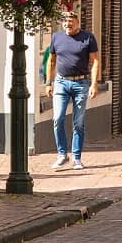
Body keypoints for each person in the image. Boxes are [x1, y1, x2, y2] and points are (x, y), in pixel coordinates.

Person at [43, 12, 100, 171]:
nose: (68, 24)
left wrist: (94, 84)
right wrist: (48, 82)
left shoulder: (88, 37)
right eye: (65, 22)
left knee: (78, 123)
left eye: (71, 22)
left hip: (81, 82)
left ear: (77, 22)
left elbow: (95, 61)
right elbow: (51, 60)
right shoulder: (56, 37)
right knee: (58, 118)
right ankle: (62, 154)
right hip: (61, 82)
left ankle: (76, 158)